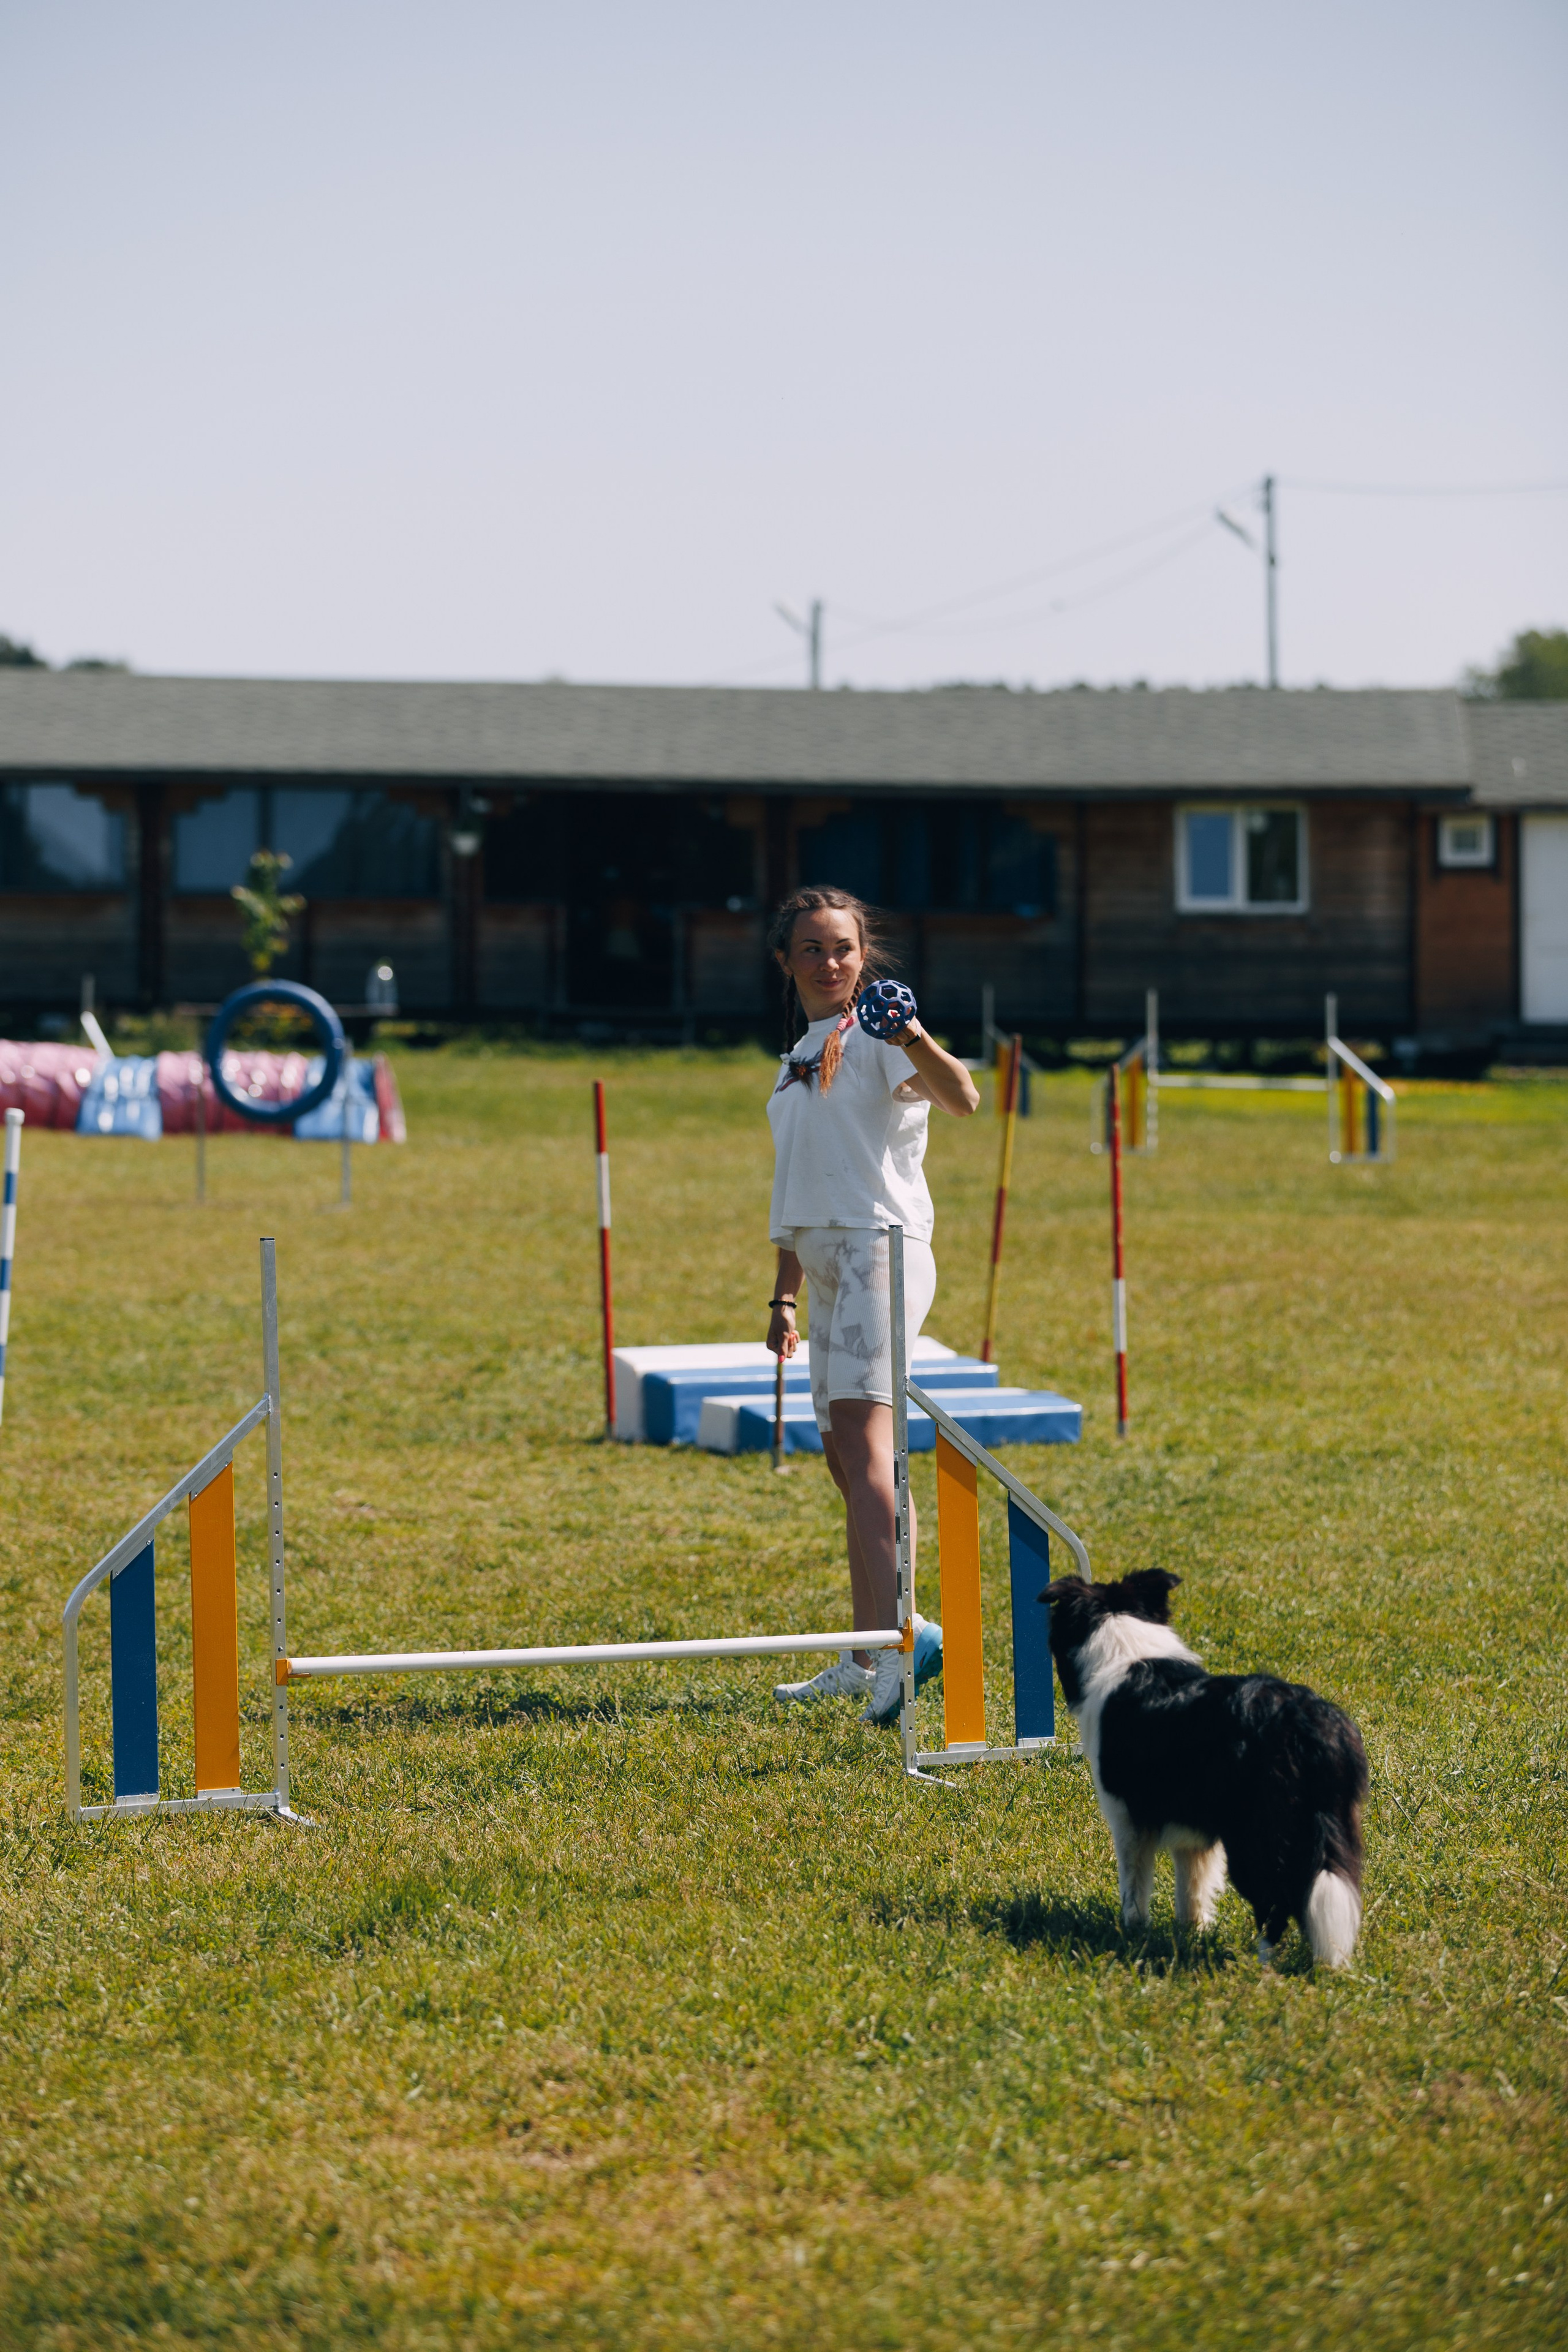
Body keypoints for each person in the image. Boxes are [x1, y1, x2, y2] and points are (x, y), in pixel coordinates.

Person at [764, 886, 980, 1725]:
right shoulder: (796, 1055)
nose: (829, 963)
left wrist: (914, 1034)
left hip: (878, 1251)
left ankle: (897, 1646)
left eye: (843, 948)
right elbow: (795, 1186)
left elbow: (962, 1098)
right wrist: (782, 1294)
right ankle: (871, 1650)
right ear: (786, 962)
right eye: (812, 949)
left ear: (866, 958)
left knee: (867, 1452)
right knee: (846, 1462)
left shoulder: (883, 1039)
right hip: (821, 1264)